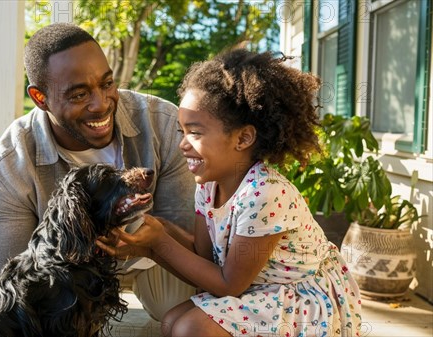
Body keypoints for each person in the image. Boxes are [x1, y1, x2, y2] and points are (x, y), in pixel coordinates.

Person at [97, 48, 363, 337]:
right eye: (181, 132)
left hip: (299, 299)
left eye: (195, 133)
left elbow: (228, 284)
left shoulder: (264, 194)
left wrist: (159, 242)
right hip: (259, 288)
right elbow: (204, 257)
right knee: (171, 321)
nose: (183, 145)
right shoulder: (208, 186)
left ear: (243, 138)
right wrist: (147, 244)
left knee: (190, 329)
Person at [0, 23, 196, 321]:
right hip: (65, 278)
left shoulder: (164, 125)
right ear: (41, 98)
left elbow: (189, 237)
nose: (101, 105)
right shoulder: (7, 168)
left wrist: (149, 242)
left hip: (154, 259)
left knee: (183, 305)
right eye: (78, 95)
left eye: (106, 84)